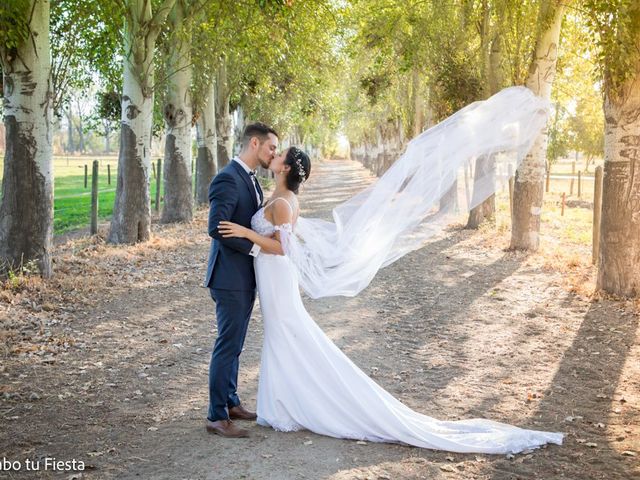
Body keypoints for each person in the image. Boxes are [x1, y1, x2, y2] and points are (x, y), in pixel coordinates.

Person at [217, 143, 564, 453]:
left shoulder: (282, 203)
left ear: (287, 168)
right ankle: (281, 403)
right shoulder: (278, 197)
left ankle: (288, 405)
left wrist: (246, 231)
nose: (273, 155)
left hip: (277, 275)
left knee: (287, 333)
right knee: (282, 336)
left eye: (279, 153)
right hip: (270, 276)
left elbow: (282, 248)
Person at [204, 122, 278, 438]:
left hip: (243, 278)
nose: (273, 153)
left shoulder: (250, 179)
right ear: (254, 143)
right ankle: (217, 416)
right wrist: (254, 250)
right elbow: (217, 227)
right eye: (271, 147)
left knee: (236, 344)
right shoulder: (227, 178)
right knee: (227, 344)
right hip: (229, 277)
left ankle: (231, 402)